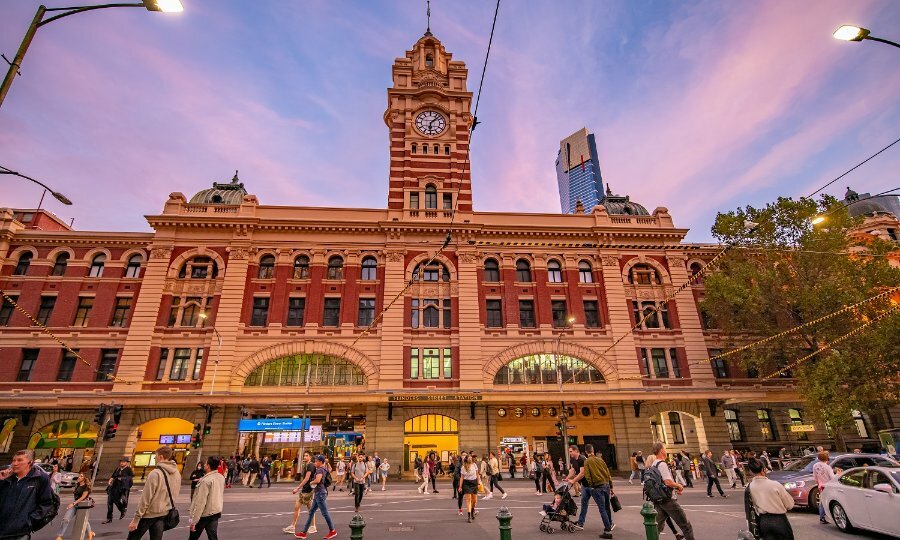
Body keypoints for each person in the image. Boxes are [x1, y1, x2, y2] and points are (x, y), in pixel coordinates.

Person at [127, 446, 182, 540]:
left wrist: (136, 519)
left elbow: (146, 498)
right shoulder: (177, 473)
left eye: (155, 456)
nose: (154, 458)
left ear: (161, 457)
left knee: (133, 538)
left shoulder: (155, 473)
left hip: (148, 514)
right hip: (163, 513)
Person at [647, 442, 694, 540]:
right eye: (664, 448)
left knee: (657, 527)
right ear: (661, 451)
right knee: (686, 525)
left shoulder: (654, 464)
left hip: (658, 499)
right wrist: (679, 486)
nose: (666, 450)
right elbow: (667, 482)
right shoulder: (662, 464)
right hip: (668, 499)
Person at [571, 444, 614, 538]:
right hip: (606, 485)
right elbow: (607, 473)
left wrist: (592, 486)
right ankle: (610, 524)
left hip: (597, 487)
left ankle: (607, 530)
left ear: (586, 452)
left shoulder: (587, 461)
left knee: (602, 509)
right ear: (593, 450)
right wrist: (611, 486)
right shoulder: (600, 460)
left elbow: (587, 475)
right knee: (607, 508)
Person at [746, 457, 794, 539]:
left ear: (751, 471)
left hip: (763, 521)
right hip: (779, 520)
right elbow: (790, 504)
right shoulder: (775, 484)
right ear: (763, 469)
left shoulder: (749, 487)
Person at [294, 455, 337, 539]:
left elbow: (318, 480)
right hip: (319, 493)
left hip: (320, 494)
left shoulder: (320, 469)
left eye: (316, 461)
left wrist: (311, 482)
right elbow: (329, 470)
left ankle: (332, 531)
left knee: (325, 513)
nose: (315, 463)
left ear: (320, 462)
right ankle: (304, 532)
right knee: (311, 512)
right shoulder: (324, 468)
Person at [188, 456, 225, 540]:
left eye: (205, 463)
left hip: (204, 514)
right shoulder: (221, 477)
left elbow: (200, 502)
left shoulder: (205, 481)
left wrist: (194, 521)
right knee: (213, 536)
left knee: (193, 537)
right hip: (215, 511)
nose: (204, 465)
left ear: (208, 466)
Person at [285, 452, 317, 535]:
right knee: (299, 507)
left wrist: (297, 488)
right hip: (306, 489)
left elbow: (306, 478)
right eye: (304, 456)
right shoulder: (308, 465)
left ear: (310, 457)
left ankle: (312, 526)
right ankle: (293, 526)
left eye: (306, 456)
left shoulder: (310, 465)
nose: (305, 457)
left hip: (308, 490)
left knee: (308, 508)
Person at [57, 473, 95, 540]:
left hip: (82, 505)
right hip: (75, 504)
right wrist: (74, 503)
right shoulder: (77, 485)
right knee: (66, 519)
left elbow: (83, 497)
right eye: (79, 476)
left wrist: (73, 503)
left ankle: (89, 533)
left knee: (83, 520)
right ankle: (60, 536)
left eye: (81, 476)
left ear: (84, 478)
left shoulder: (86, 486)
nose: (79, 477)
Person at [105, 457, 135, 523]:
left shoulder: (128, 469)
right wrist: (110, 481)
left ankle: (122, 510)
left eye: (123, 462)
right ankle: (109, 518)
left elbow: (131, 477)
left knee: (117, 501)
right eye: (121, 461)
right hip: (113, 487)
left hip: (121, 488)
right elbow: (113, 476)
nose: (121, 463)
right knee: (109, 502)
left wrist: (123, 478)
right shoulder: (118, 469)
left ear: (127, 463)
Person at [811, 451, 835, 525]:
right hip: (828, 486)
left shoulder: (815, 465)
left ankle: (822, 517)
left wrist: (818, 483)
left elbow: (814, 477)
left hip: (820, 485)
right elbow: (832, 478)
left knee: (822, 501)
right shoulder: (828, 467)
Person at [458, 453, 482, 523]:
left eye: (471, 458)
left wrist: (479, 482)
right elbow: (461, 478)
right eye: (469, 459)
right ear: (466, 459)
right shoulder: (463, 467)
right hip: (466, 484)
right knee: (468, 500)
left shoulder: (474, 465)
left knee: (474, 501)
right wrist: (460, 487)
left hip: (474, 483)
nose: (471, 459)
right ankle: (469, 516)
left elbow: (477, 474)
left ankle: (472, 511)